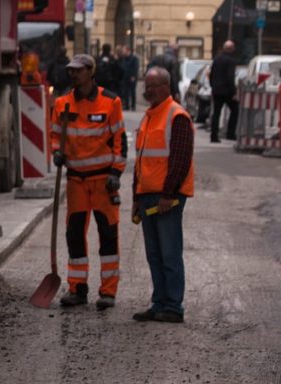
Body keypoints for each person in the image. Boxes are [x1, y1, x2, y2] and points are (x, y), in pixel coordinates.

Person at [49, 54, 127, 310]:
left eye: (79, 71)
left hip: (103, 180)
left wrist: (116, 172)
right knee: (74, 235)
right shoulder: (62, 104)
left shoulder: (110, 101)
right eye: (71, 70)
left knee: (107, 235)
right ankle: (77, 289)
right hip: (76, 181)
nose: (73, 75)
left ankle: (108, 292)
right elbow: (55, 135)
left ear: (91, 72)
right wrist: (56, 152)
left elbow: (120, 140)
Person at [132, 67, 194, 323]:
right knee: (154, 254)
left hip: (167, 197)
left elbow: (179, 160)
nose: (147, 91)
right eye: (146, 86)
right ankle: (159, 303)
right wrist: (136, 197)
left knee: (169, 253)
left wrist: (168, 194)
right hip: (148, 195)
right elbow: (141, 161)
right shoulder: (149, 117)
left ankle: (173, 306)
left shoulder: (176, 115)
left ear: (166, 87)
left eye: (152, 86)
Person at [208, 40, 239, 143]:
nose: (235, 49)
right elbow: (230, 77)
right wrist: (234, 92)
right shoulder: (231, 61)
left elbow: (211, 75)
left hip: (217, 90)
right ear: (230, 49)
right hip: (227, 91)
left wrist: (212, 86)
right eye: (233, 47)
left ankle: (213, 136)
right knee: (235, 110)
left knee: (216, 113)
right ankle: (230, 133)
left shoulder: (216, 59)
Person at [120, 45, 140, 111]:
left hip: (131, 77)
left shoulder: (134, 58)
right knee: (126, 92)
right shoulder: (124, 58)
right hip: (125, 77)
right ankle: (127, 105)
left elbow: (135, 68)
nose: (123, 52)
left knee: (132, 92)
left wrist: (134, 76)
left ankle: (133, 106)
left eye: (124, 50)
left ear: (128, 50)